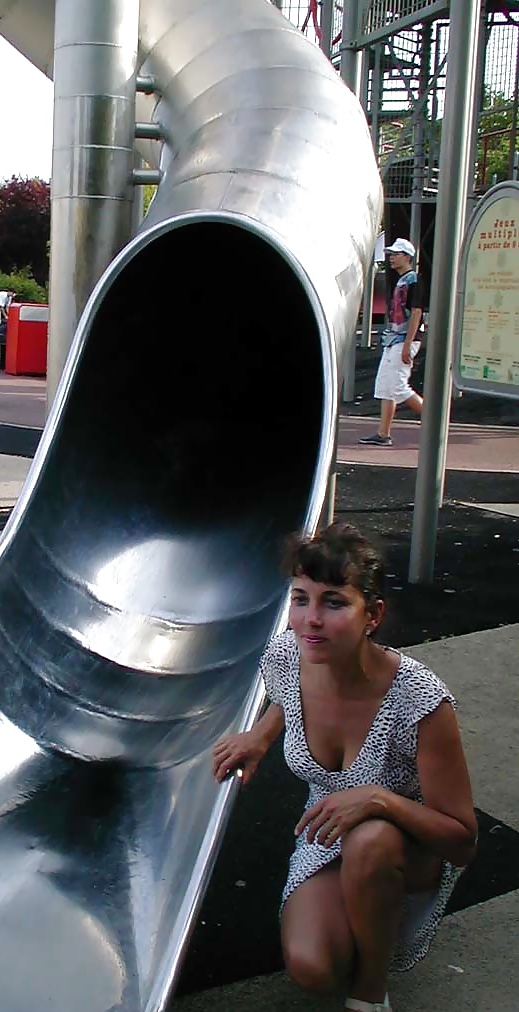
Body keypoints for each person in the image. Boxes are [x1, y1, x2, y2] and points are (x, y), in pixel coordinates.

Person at [212, 523, 476, 1012]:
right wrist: (260, 736)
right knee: (313, 967)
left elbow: (462, 839)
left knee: (371, 840)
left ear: (372, 615)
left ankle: (371, 993)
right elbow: (288, 701)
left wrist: (381, 800)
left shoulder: (418, 701)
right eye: (300, 598)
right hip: (328, 833)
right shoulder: (287, 659)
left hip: (409, 845)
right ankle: (367, 914)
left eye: (334, 602)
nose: (310, 619)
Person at [359, 239, 427, 447]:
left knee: (398, 386)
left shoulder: (413, 280)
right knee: (385, 387)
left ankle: (434, 420)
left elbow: (416, 312)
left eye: (396, 254)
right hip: (394, 339)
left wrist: (408, 344)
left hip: (404, 339)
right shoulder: (402, 280)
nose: (391, 257)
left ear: (407, 256)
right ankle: (383, 433)